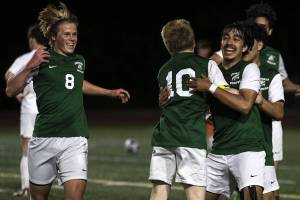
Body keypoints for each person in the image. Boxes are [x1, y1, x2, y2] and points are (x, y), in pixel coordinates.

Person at [5, 2, 130, 200]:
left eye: (75, 34)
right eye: (67, 34)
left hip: (75, 137)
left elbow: (77, 84)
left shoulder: (79, 61)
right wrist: (30, 66)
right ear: (53, 36)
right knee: (38, 197)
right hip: (44, 137)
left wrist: (109, 92)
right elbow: (10, 90)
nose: (72, 39)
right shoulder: (41, 59)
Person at [149, 19, 228, 200]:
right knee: (194, 191)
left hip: (165, 135)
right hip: (191, 134)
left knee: (159, 188)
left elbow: (169, 99)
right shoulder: (206, 65)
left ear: (168, 46)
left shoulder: (163, 70)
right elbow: (225, 92)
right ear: (193, 42)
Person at [188, 21, 265, 200]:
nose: (230, 42)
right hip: (219, 149)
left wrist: (212, 87)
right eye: (226, 38)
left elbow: (245, 105)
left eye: (236, 39)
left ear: (245, 46)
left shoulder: (249, 69)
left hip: (247, 149)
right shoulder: (210, 72)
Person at [4, 24, 48, 198]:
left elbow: (9, 75)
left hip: (30, 107)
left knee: (27, 149)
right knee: (50, 148)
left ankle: (26, 187)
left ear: (32, 38)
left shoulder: (27, 58)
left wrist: (18, 92)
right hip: (48, 108)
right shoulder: (52, 55)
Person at [243, 22, 284, 200]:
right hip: (230, 147)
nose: (244, 47)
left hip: (261, 147)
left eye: (249, 42)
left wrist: (260, 100)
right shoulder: (229, 70)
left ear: (260, 45)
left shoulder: (270, 74)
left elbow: (278, 112)